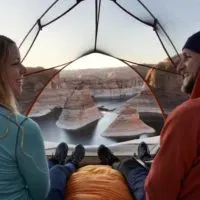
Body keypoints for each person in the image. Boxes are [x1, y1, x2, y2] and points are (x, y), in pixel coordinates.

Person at [98, 31, 200, 200]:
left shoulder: (189, 115)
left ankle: (117, 163)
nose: (179, 67)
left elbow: (157, 191)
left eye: (187, 57)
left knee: (133, 170)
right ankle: (146, 160)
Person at [0, 35, 85, 200]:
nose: (24, 70)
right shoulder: (23, 129)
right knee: (56, 175)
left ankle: (55, 160)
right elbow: (41, 194)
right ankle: (71, 164)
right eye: (15, 63)